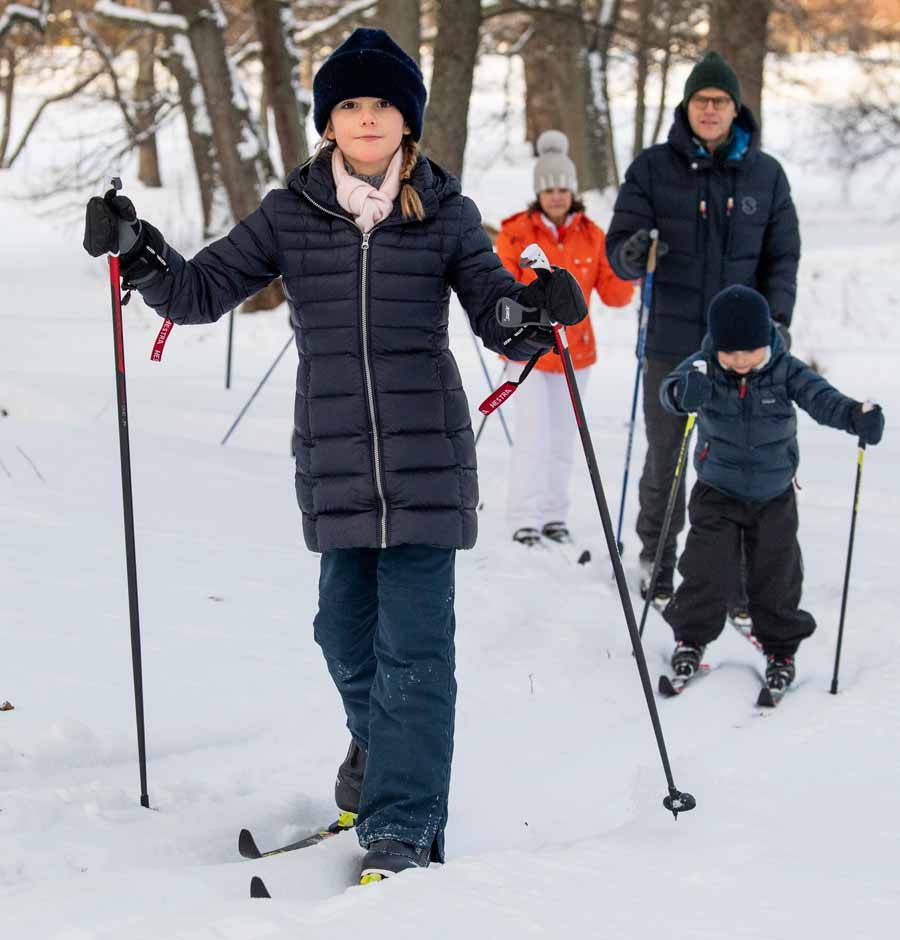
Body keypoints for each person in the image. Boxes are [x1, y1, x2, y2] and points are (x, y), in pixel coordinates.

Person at [82, 28, 587, 882]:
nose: (365, 118)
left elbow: (493, 309)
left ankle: (404, 823)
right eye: (349, 105)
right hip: (337, 465)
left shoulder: (446, 212)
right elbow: (203, 290)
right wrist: (141, 252)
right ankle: (378, 759)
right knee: (343, 635)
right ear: (327, 122)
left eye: (381, 104)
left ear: (407, 121)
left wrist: (535, 312)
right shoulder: (292, 212)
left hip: (426, 462)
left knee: (416, 653)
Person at [605, 51, 800, 617]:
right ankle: (658, 561)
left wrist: (776, 319)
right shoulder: (652, 167)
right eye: (700, 101)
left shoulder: (766, 175)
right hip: (671, 342)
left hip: (741, 349)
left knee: (740, 462)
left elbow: (782, 255)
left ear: (736, 109)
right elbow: (620, 246)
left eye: (719, 101)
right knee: (667, 453)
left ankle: (739, 580)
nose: (710, 110)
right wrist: (632, 251)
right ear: (686, 106)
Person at [658, 285, 884, 695]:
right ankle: (689, 639)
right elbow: (670, 390)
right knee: (704, 569)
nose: (741, 361)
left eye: (751, 352)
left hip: (773, 493)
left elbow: (821, 398)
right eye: (731, 352)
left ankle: (781, 649)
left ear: (767, 342)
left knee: (776, 573)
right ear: (717, 345)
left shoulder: (784, 368)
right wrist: (681, 393)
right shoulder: (705, 365)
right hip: (717, 490)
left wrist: (854, 416)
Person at [496, 130, 633, 547]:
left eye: (563, 188)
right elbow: (498, 285)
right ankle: (524, 518)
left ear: (573, 191)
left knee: (563, 437)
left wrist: (631, 264)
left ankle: (555, 515)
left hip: (575, 354)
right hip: (528, 354)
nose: (556, 196)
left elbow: (615, 294)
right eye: (548, 188)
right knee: (533, 435)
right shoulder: (517, 233)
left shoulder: (593, 235)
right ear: (538, 192)